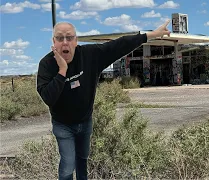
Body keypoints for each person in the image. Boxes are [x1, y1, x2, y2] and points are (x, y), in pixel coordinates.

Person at [36, 20, 171, 180]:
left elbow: (119, 45)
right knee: (67, 165)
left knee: (82, 160)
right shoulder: (46, 64)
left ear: (76, 40)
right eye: (60, 38)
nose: (65, 42)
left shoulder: (90, 55)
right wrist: (62, 71)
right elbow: (48, 98)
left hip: (85, 122)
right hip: (63, 125)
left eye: (69, 37)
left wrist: (151, 35)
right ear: (54, 42)